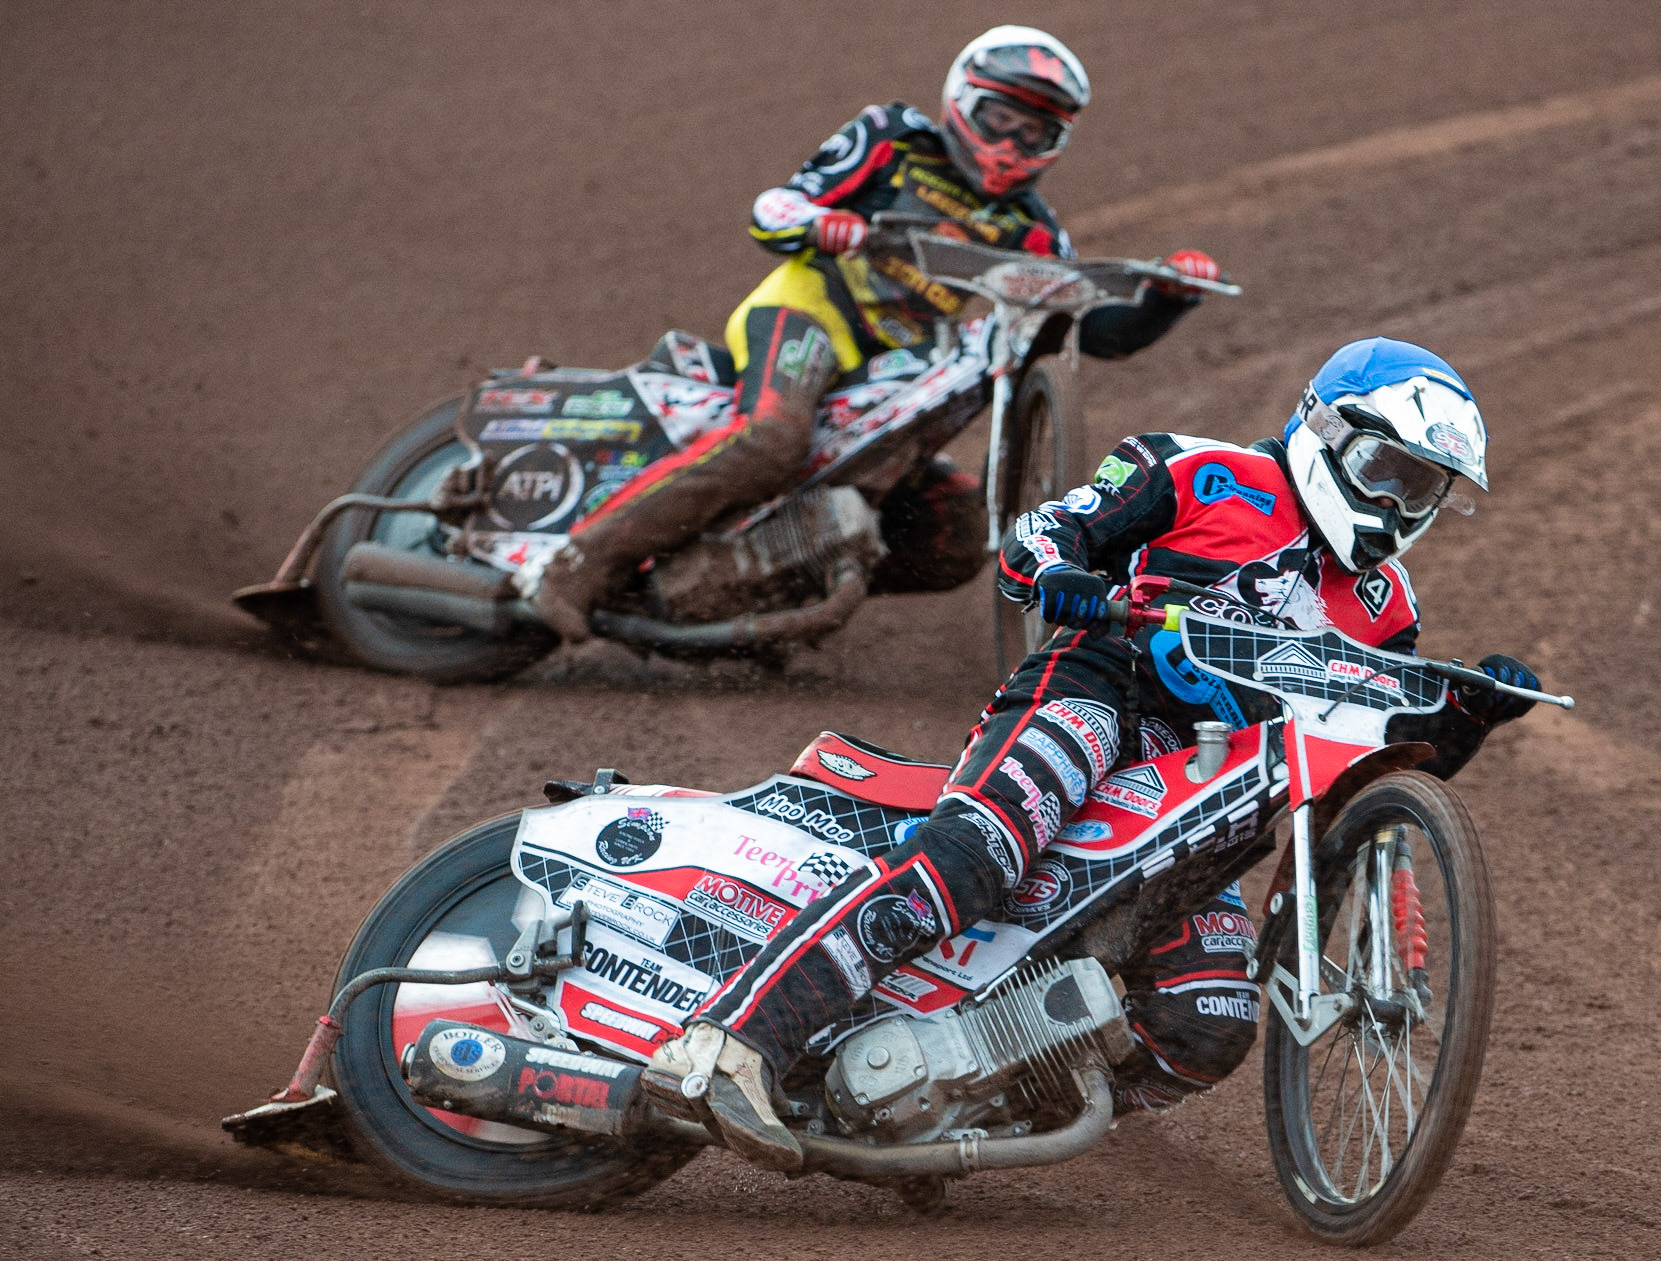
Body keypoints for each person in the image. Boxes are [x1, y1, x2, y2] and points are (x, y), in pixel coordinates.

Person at [642, 336, 1542, 1171]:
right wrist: (1063, 574)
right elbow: (1040, 534)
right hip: (1097, 689)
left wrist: (1464, 716)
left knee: (1209, 1021)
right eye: (1385, 470)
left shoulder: (1387, 606)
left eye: (1420, 488)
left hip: (1205, 783)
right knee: (971, 859)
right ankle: (725, 1044)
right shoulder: (1198, 469)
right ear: (1328, 432)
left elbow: (1376, 767)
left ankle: (964, 1103)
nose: (1394, 503)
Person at [526, 25, 1224, 641]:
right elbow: (774, 206)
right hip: (810, 311)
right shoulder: (892, 140)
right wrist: (817, 222)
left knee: (955, 533)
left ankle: (753, 591)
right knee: (771, 436)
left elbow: (1097, 332)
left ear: (1055, 144)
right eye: (999, 117)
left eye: (1033, 132)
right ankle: (578, 561)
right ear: (961, 99)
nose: (1011, 143)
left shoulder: (1033, 231)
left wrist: (1168, 297)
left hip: (897, 367)